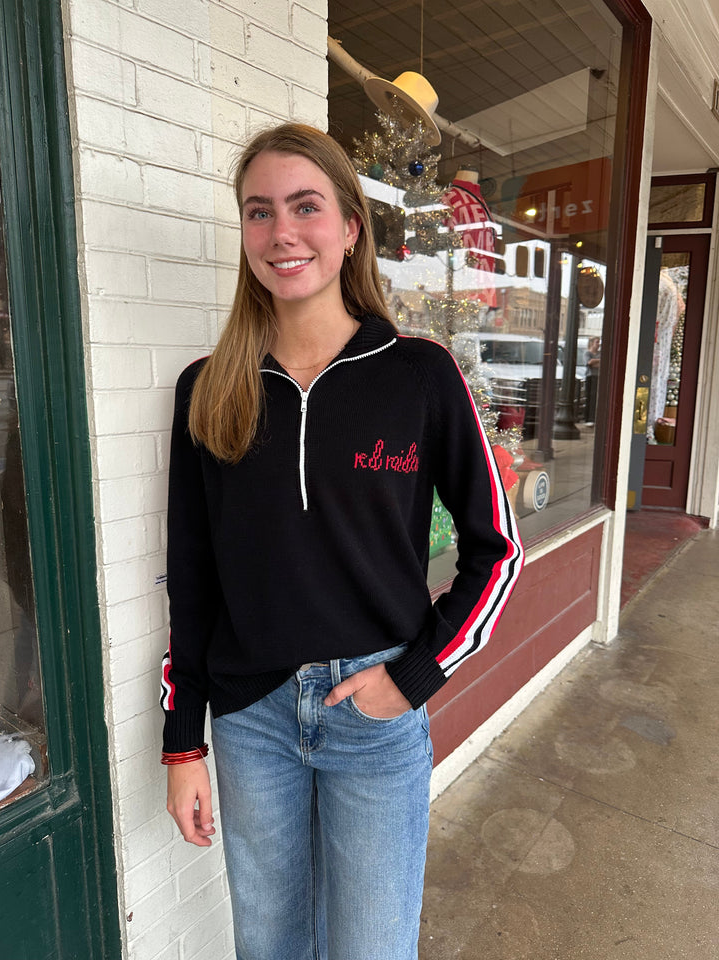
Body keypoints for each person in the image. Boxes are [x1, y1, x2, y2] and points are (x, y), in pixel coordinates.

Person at [160, 122, 524, 960]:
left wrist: (414, 675)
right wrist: (184, 743)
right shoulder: (207, 390)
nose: (281, 233)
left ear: (351, 227)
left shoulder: (419, 375)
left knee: (371, 948)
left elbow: (496, 550)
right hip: (250, 718)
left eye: (305, 207)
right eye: (259, 212)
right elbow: (193, 578)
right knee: (271, 947)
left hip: (375, 709)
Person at [584, 336, 601, 425]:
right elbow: (589, 363)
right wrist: (597, 361)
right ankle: (588, 418)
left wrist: (595, 362)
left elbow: (601, 365)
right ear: (592, 343)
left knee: (595, 398)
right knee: (590, 397)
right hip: (590, 377)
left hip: (598, 376)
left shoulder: (600, 353)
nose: (599, 344)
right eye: (597, 342)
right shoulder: (587, 353)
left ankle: (594, 418)